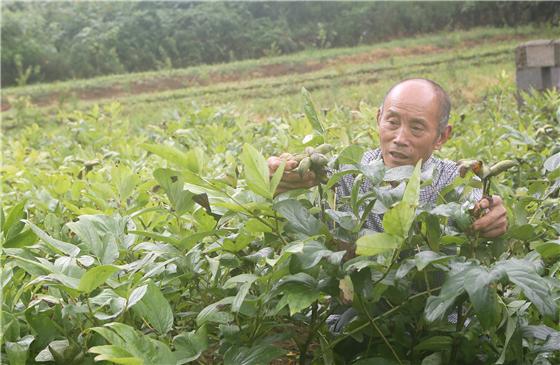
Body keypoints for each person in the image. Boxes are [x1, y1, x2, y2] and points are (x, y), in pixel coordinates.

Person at [268, 78, 508, 238]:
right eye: (392, 122)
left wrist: (491, 216)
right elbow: (293, 199)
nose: (400, 138)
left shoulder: (454, 180)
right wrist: (280, 179)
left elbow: (481, 206)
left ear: (442, 136)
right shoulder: (347, 173)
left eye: (416, 128)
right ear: (378, 119)